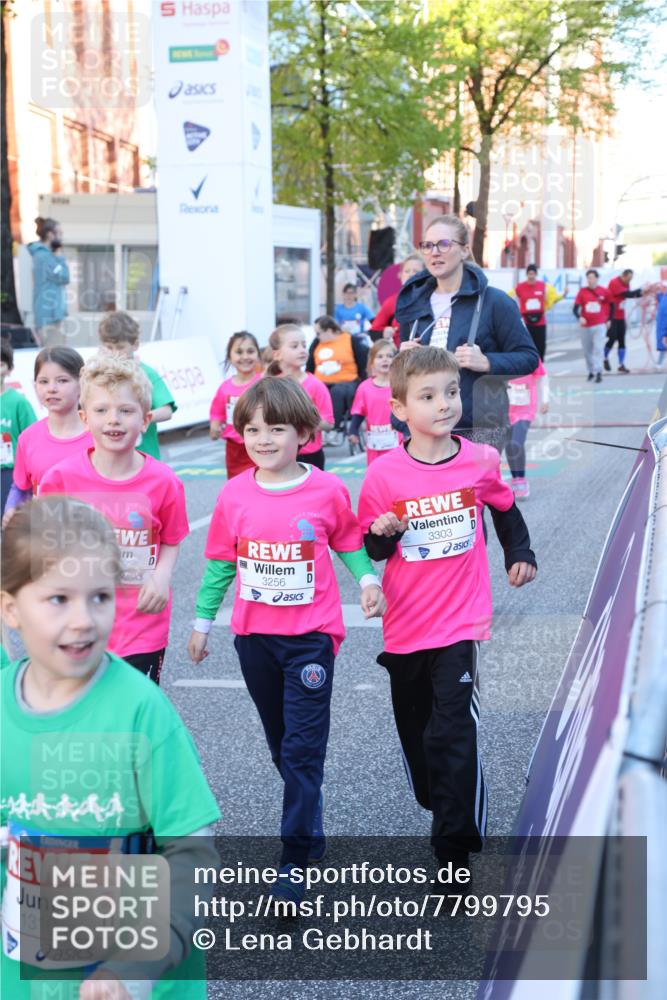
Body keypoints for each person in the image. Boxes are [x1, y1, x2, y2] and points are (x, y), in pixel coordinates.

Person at [0, 496, 220, 1000]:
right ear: (11, 608)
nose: (84, 619)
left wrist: (136, 969)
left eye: (100, 596)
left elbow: (192, 849)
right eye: (59, 599)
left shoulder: (140, 711)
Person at [187, 377, 385, 903]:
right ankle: (309, 812)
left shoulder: (325, 489)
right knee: (282, 745)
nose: (264, 439)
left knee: (301, 751)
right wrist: (202, 624)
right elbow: (219, 565)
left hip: (310, 640)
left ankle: (292, 861)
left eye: (276, 428)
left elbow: (347, 538)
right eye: (252, 429)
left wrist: (368, 580)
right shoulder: (233, 494)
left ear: (303, 433)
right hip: (254, 640)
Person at [358, 347, 536, 871]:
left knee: (453, 734)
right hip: (405, 628)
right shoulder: (384, 476)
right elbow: (372, 547)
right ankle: (442, 802)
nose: (443, 405)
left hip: (461, 622)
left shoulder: (478, 460)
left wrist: (519, 553)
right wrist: (383, 533)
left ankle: (453, 849)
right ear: (399, 409)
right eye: (428, 396)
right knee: (421, 744)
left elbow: (504, 509)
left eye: (452, 393)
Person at [40, 354, 189, 685]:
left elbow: (172, 538)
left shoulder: (164, 481)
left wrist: (161, 577)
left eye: (126, 410)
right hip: (79, 626)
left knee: (130, 722)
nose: (114, 420)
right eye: (102, 410)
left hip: (141, 625)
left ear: (145, 419)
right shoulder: (59, 479)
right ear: (84, 417)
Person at [395, 214, 539, 454]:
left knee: (476, 493)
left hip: (480, 425)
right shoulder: (413, 304)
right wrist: (402, 358)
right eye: (427, 246)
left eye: (444, 244)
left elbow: (528, 358)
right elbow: (402, 373)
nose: (434, 252)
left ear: (464, 251)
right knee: (434, 493)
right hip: (425, 424)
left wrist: (487, 362)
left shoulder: (495, 302)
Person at [3, 346, 92, 523]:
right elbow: (21, 487)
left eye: (62, 381)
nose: (51, 389)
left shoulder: (100, 437)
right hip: (43, 538)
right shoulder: (28, 438)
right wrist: (11, 508)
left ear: (82, 384)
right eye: (43, 381)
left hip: (90, 538)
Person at [98, 310, 176, 458]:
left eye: (120, 347)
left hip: (144, 455)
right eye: (109, 347)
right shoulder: (99, 375)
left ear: (135, 345)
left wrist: (138, 418)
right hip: (109, 458)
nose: (114, 354)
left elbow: (167, 411)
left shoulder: (146, 373)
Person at [266, 323, 334, 470]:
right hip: (279, 452)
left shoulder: (316, 385)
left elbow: (328, 423)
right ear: (277, 354)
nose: (302, 350)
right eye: (294, 346)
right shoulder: (269, 385)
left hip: (310, 454)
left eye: (304, 345)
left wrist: (303, 422)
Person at [209, 331, 263, 478]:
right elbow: (217, 412)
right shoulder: (225, 387)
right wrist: (215, 426)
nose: (245, 356)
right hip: (235, 450)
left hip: (261, 444)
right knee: (237, 484)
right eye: (239, 352)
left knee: (262, 483)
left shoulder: (264, 383)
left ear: (258, 354)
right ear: (229, 357)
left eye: (250, 351)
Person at [307, 315, 369, 440]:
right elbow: (310, 366)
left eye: (318, 333)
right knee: (309, 392)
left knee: (337, 391)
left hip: (347, 381)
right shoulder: (316, 343)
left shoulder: (351, 340)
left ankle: (332, 426)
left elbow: (362, 364)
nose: (316, 336)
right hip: (321, 381)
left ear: (329, 330)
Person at [348, 340, 402, 464]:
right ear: (372, 362)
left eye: (389, 356)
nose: (385, 360)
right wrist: (353, 431)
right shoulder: (364, 388)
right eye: (380, 356)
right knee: (376, 474)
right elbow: (358, 412)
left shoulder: (400, 385)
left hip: (398, 441)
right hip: (375, 443)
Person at [0, 339, 36, 513]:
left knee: (9, 521)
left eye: (0, 364)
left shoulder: (18, 402)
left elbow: (33, 439)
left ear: (9, 369)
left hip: (8, 472)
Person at [505, 359, 549, 500]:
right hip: (504, 410)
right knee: (508, 445)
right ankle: (515, 479)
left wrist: (545, 400)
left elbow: (543, 376)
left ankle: (521, 479)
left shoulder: (528, 355)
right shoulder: (500, 354)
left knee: (516, 443)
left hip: (525, 410)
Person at [27, 216, 70, 346]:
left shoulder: (44, 256)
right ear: (50, 235)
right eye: (60, 233)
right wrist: (60, 257)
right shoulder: (44, 257)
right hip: (50, 316)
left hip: (51, 315)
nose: (62, 237)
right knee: (56, 356)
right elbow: (65, 277)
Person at [510, 263, 565, 360]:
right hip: (526, 321)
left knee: (541, 345)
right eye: (529, 274)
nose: (531, 276)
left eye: (533, 274)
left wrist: (563, 295)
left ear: (536, 274)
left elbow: (554, 298)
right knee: (527, 345)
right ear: (527, 275)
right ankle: (529, 365)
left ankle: (540, 365)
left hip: (540, 321)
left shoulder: (543, 286)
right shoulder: (520, 287)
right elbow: (509, 297)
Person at [369, 254, 425, 347]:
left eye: (416, 271)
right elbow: (374, 331)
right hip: (401, 355)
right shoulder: (392, 302)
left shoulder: (434, 298)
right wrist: (383, 332)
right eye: (407, 271)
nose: (411, 274)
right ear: (400, 275)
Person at [573, 269, 611, 383]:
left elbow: (612, 305)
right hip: (586, 326)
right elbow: (575, 308)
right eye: (588, 278)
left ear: (597, 279)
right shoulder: (582, 292)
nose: (590, 280)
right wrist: (580, 317)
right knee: (587, 350)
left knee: (598, 348)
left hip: (599, 324)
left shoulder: (604, 291)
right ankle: (591, 371)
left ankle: (599, 371)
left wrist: (609, 319)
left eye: (592, 278)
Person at [605, 268, 643, 373]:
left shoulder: (626, 284)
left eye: (631, 279)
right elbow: (627, 294)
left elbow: (631, 294)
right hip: (612, 316)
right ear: (623, 275)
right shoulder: (614, 282)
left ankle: (621, 364)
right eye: (628, 278)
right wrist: (642, 289)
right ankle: (604, 357)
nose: (629, 281)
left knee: (622, 340)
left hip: (621, 316)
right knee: (612, 338)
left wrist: (645, 293)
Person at [656, 288, 667, 369]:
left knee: (663, 347)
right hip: (662, 327)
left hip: (663, 328)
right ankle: (659, 363)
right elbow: (659, 296)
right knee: (663, 347)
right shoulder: (663, 297)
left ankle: (659, 363)